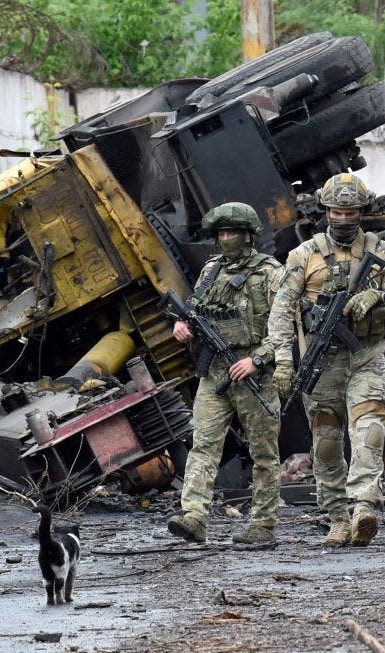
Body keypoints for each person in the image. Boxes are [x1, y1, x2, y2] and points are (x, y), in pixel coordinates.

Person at [267, 172, 385, 547]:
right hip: (322, 363)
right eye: (336, 211)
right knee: (326, 444)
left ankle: (364, 505)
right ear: (325, 211)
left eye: (350, 212)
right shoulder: (304, 255)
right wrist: (283, 360)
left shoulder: (382, 253)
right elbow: (281, 312)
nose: (343, 219)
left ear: (362, 211)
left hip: (365, 356)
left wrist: (376, 298)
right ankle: (336, 516)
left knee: (369, 432)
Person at [167, 202, 283, 545]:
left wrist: (259, 359)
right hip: (215, 371)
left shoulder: (271, 273)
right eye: (221, 233)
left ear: (248, 235)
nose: (226, 239)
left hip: (254, 374)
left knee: (263, 453)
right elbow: (194, 309)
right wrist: (181, 324)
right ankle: (194, 517)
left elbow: (289, 328)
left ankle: (263, 525)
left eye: (232, 232)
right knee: (203, 444)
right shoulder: (211, 271)